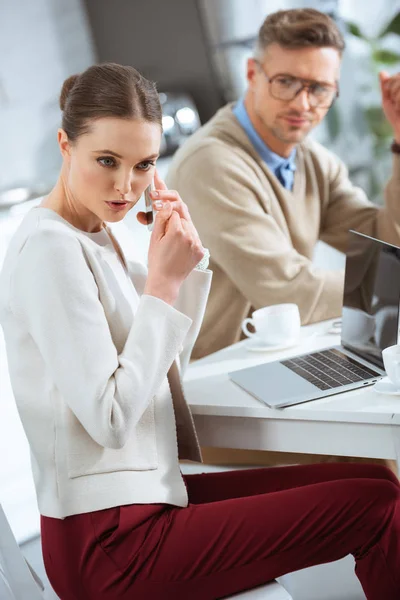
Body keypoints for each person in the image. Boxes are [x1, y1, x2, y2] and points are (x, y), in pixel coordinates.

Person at [1, 62, 400, 600]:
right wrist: (162, 286)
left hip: (149, 502)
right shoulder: (50, 250)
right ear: (65, 145)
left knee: (379, 481)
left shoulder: (94, 234)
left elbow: (160, 376)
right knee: (376, 510)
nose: (125, 186)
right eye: (106, 161)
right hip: (111, 547)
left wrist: (182, 266)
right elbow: (113, 419)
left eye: (143, 164)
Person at [166, 8, 400, 472]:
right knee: (378, 459)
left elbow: (385, 239)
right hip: (223, 398)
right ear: (253, 73)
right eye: (286, 82)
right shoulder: (212, 163)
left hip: (283, 366)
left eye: (319, 89)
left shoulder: (310, 158)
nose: (302, 103)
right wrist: (389, 282)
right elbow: (292, 291)